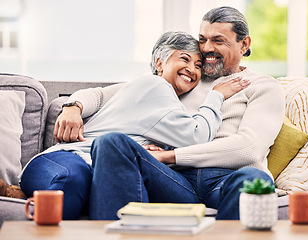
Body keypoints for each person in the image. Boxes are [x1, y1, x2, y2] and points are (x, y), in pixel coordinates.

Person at [18, 31, 249, 219]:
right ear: (160, 63)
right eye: (185, 59)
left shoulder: (166, 99)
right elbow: (196, 137)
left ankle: (19, 193)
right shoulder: (154, 86)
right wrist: (72, 105)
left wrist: (162, 150)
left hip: (105, 168)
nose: (193, 69)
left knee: (90, 177)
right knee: (73, 180)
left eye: (199, 65)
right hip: (73, 156)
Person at [87, 6, 285, 220]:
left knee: (253, 179)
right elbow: (103, 95)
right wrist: (74, 107)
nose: (207, 48)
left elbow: (249, 148)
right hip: (174, 179)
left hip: (226, 179)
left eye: (218, 41)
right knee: (111, 143)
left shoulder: (264, 86)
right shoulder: (187, 76)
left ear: (244, 44)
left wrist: (170, 156)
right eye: (202, 39)